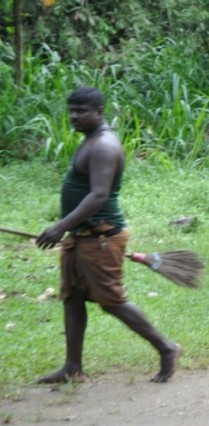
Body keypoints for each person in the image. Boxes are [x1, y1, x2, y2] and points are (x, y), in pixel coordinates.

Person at [35, 86, 180, 384]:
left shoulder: (103, 145)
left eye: (81, 111)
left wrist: (60, 226)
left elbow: (99, 195)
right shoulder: (90, 140)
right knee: (72, 298)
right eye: (71, 111)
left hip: (100, 237)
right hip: (82, 235)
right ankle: (72, 368)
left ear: (99, 112)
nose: (74, 116)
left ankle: (167, 348)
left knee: (112, 301)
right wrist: (68, 228)